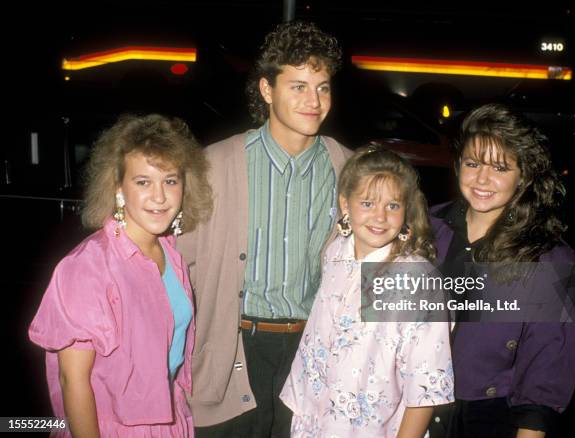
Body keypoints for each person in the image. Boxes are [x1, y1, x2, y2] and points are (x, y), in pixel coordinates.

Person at [176, 20, 352, 437]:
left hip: (311, 351)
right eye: (298, 86)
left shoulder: (349, 168)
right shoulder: (214, 166)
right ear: (267, 90)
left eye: (323, 86)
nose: (314, 100)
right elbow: (176, 266)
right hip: (231, 348)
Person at [28, 114, 212, 437]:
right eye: (143, 182)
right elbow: (73, 380)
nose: (160, 196)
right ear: (118, 189)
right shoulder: (88, 267)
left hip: (170, 418)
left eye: (170, 180)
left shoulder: (171, 255)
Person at [429, 103, 575, 437]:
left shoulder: (553, 259)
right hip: (413, 408)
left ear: (523, 175)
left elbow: (546, 375)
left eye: (500, 167)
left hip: (489, 419)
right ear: (457, 165)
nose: (482, 179)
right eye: (472, 163)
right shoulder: (426, 227)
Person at [280, 145, 455, 437]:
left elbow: (426, 387)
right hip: (315, 423)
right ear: (345, 204)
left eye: (393, 206)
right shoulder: (335, 252)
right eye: (368, 203)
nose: (380, 216)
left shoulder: (415, 280)